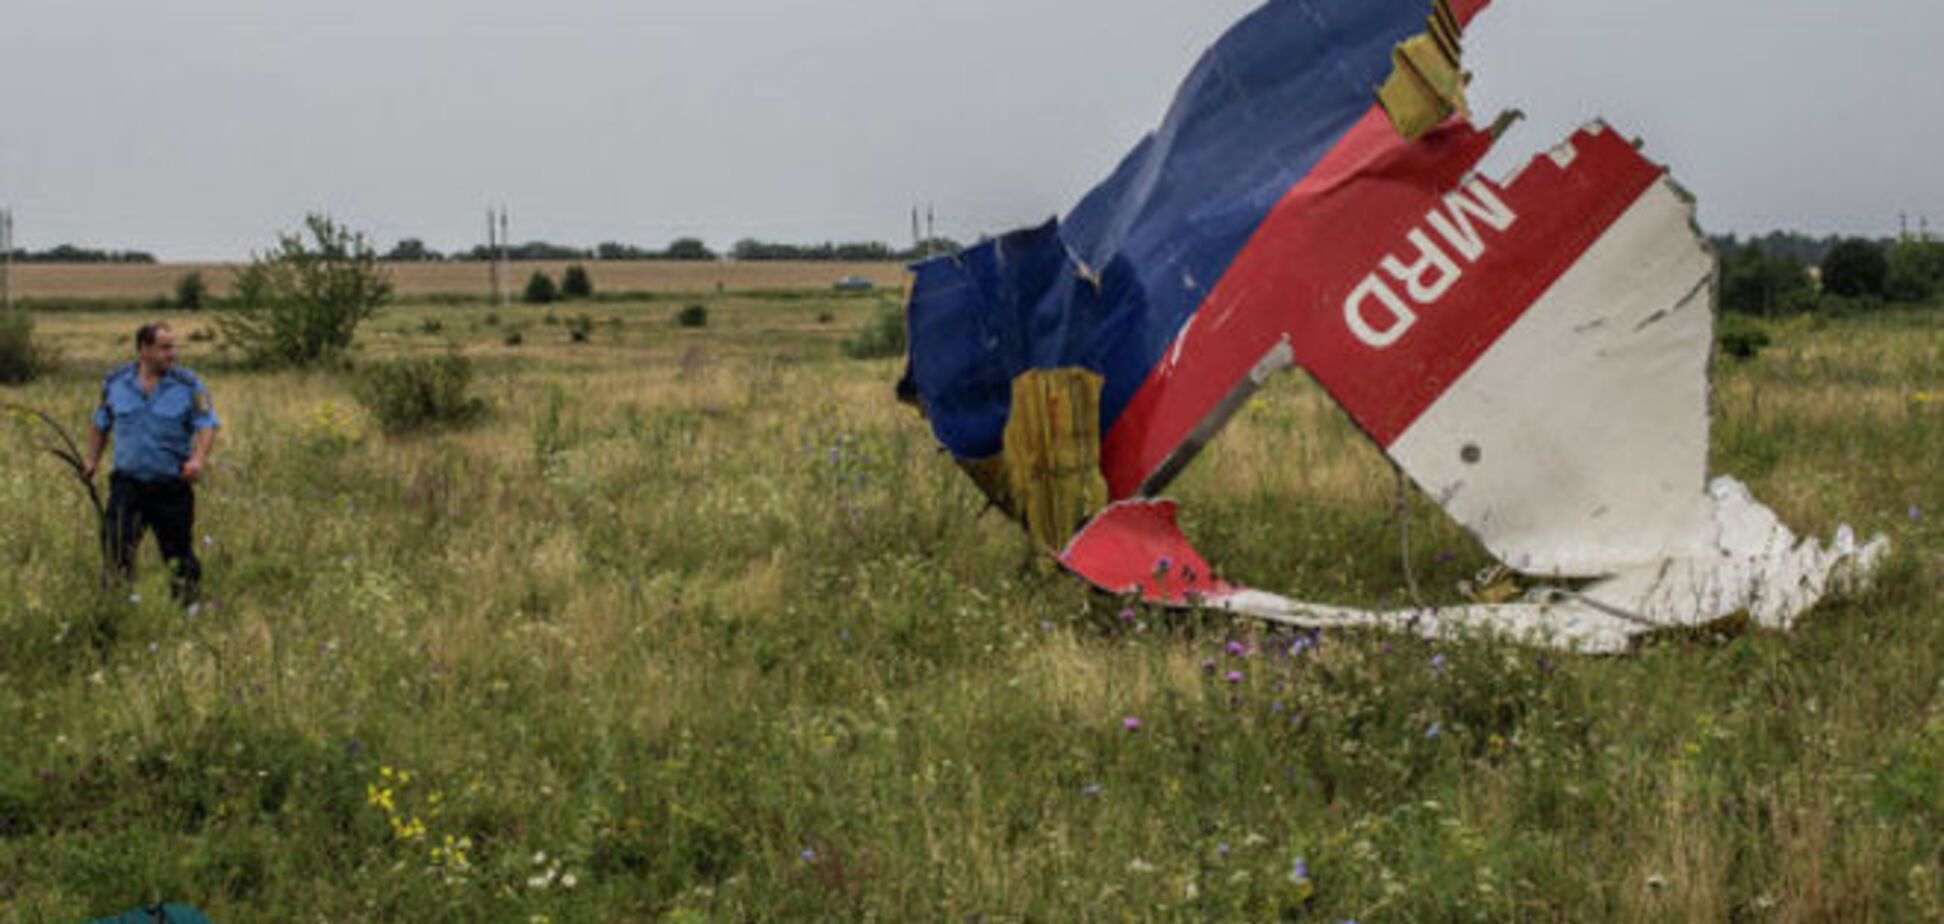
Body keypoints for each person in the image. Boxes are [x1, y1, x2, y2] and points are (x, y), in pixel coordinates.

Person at [80, 322, 220, 604]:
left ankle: (188, 611)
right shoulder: (115, 382)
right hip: (127, 485)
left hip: (170, 485)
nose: (172, 354)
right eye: (165, 347)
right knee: (117, 549)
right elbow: (101, 423)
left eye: (173, 347)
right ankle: (118, 607)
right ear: (144, 350)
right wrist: (92, 460)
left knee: (178, 554)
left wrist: (198, 460)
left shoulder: (189, 385)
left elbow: (207, 424)